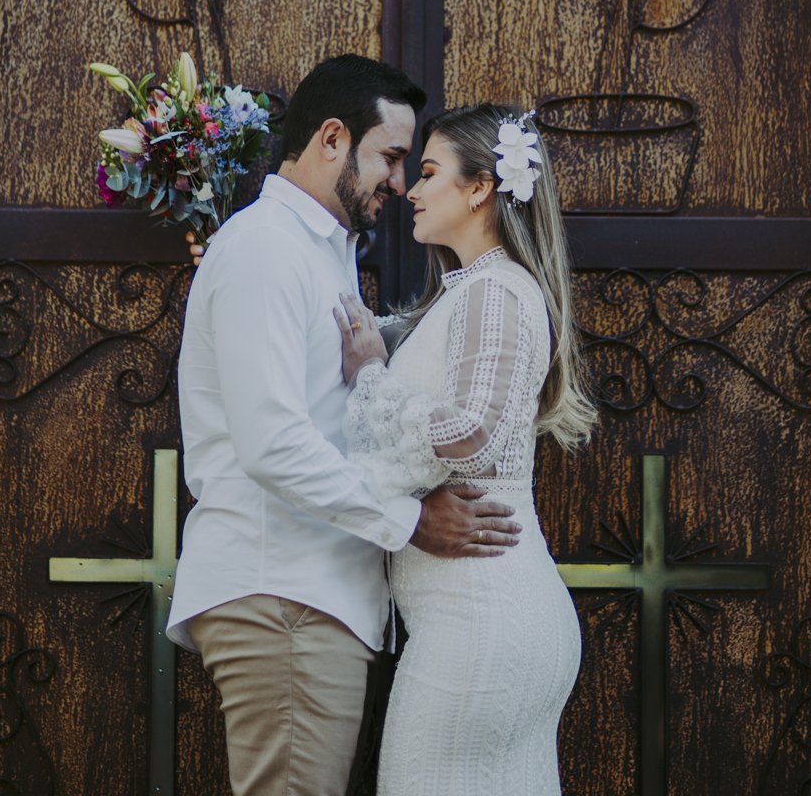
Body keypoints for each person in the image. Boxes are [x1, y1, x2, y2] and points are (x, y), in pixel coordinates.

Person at [166, 56, 523, 796]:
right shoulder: (266, 248)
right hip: (284, 596)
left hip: (312, 597)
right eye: (391, 157)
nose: (400, 182)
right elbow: (272, 445)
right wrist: (408, 520)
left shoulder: (318, 254)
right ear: (332, 139)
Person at [334, 103, 598, 795]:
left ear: (481, 186)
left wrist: (367, 379)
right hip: (479, 622)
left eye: (427, 172)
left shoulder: (496, 289)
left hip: (481, 624)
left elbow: (468, 432)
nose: (411, 192)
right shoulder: (469, 294)